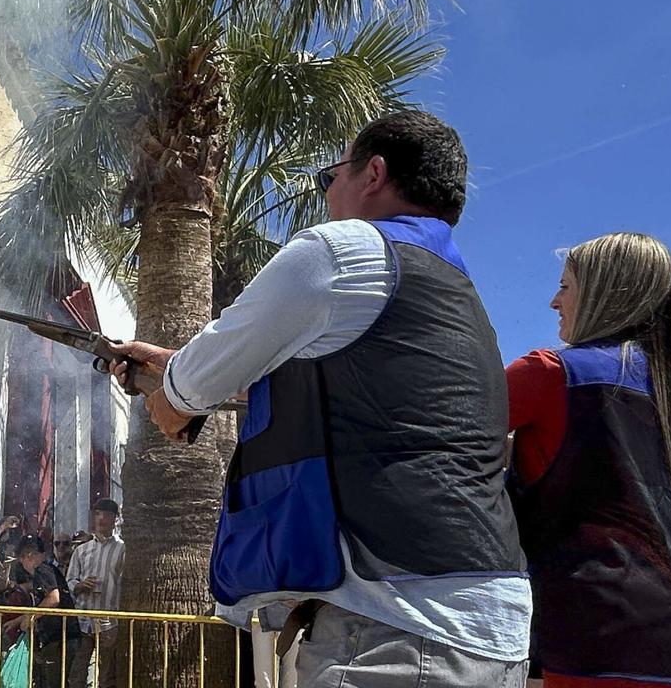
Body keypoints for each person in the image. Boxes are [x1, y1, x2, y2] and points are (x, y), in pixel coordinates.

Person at [110, 111, 530, 687]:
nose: (326, 194)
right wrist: (171, 367)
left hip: (401, 626)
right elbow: (304, 386)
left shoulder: (347, 248)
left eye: (328, 177)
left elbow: (191, 390)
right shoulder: (448, 288)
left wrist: (172, 390)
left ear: (374, 173)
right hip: (475, 617)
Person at [506, 233, 671, 686]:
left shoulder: (551, 373)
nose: (553, 301)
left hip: (586, 634)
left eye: (565, 285)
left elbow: (441, 430)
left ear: (603, 293)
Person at [66, 498, 126, 688]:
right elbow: (70, 579)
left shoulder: (122, 549)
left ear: (115, 519)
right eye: (98, 514)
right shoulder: (82, 550)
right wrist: (80, 585)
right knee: (77, 672)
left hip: (108, 619)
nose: (102, 519)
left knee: (107, 674)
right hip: (83, 619)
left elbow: (125, 583)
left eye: (107, 515)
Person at [18, 534, 81, 688]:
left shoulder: (42, 570)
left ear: (29, 555)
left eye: (21, 558)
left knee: (54, 682)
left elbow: (53, 598)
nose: (21, 563)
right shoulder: (49, 569)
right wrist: (19, 620)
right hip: (62, 637)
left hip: (59, 637)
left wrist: (30, 618)